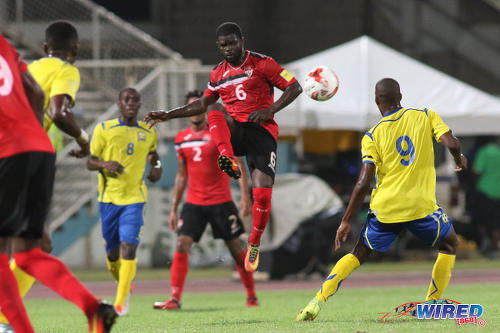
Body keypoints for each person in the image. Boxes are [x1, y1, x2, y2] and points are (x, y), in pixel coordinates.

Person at [296, 78, 467, 321]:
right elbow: (452, 142)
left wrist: (346, 219)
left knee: (358, 254)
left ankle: (316, 302)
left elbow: (364, 181)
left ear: (377, 101)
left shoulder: (372, 135)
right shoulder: (426, 115)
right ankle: (431, 304)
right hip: (421, 207)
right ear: (401, 96)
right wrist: (458, 157)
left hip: (386, 209)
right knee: (449, 244)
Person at [145, 22, 302, 272]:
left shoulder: (264, 63)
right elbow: (201, 104)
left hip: (262, 132)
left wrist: (270, 109)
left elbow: (295, 87)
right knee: (215, 110)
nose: (228, 48)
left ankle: (255, 241)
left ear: (242, 40)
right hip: (236, 133)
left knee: (262, 192)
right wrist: (168, 114)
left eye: (232, 43)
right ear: (218, 47)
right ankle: (227, 158)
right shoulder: (218, 74)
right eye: (223, 45)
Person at [0, 35, 117, 333]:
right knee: (28, 253)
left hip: (7, 152)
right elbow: (36, 94)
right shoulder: (5, 44)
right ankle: (94, 309)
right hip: (39, 147)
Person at [152, 90, 257, 310]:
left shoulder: (218, 132)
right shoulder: (181, 139)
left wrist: (246, 196)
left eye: (198, 106)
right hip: (194, 203)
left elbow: (237, 163)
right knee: (182, 243)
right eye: (190, 107)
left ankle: (251, 295)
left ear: (204, 109)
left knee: (236, 247)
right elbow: (182, 175)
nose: (195, 111)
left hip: (221, 201)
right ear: (187, 112)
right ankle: (175, 298)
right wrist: (173, 208)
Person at [87, 88, 162, 316]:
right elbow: (91, 161)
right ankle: (124, 287)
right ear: (119, 103)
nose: (131, 103)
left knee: (128, 246)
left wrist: (157, 166)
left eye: (135, 100)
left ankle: (120, 303)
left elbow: (152, 154)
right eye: (126, 99)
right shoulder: (104, 129)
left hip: (134, 198)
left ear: (139, 104)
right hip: (109, 198)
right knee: (112, 253)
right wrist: (105, 165)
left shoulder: (148, 131)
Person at [472, 136, 500, 253]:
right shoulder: (498, 152)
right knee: (496, 221)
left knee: (481, 219)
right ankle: (496, 245)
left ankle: (484, 242)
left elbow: (477, 171)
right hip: (498, 191)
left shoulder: (483, 152)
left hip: (484, 190)